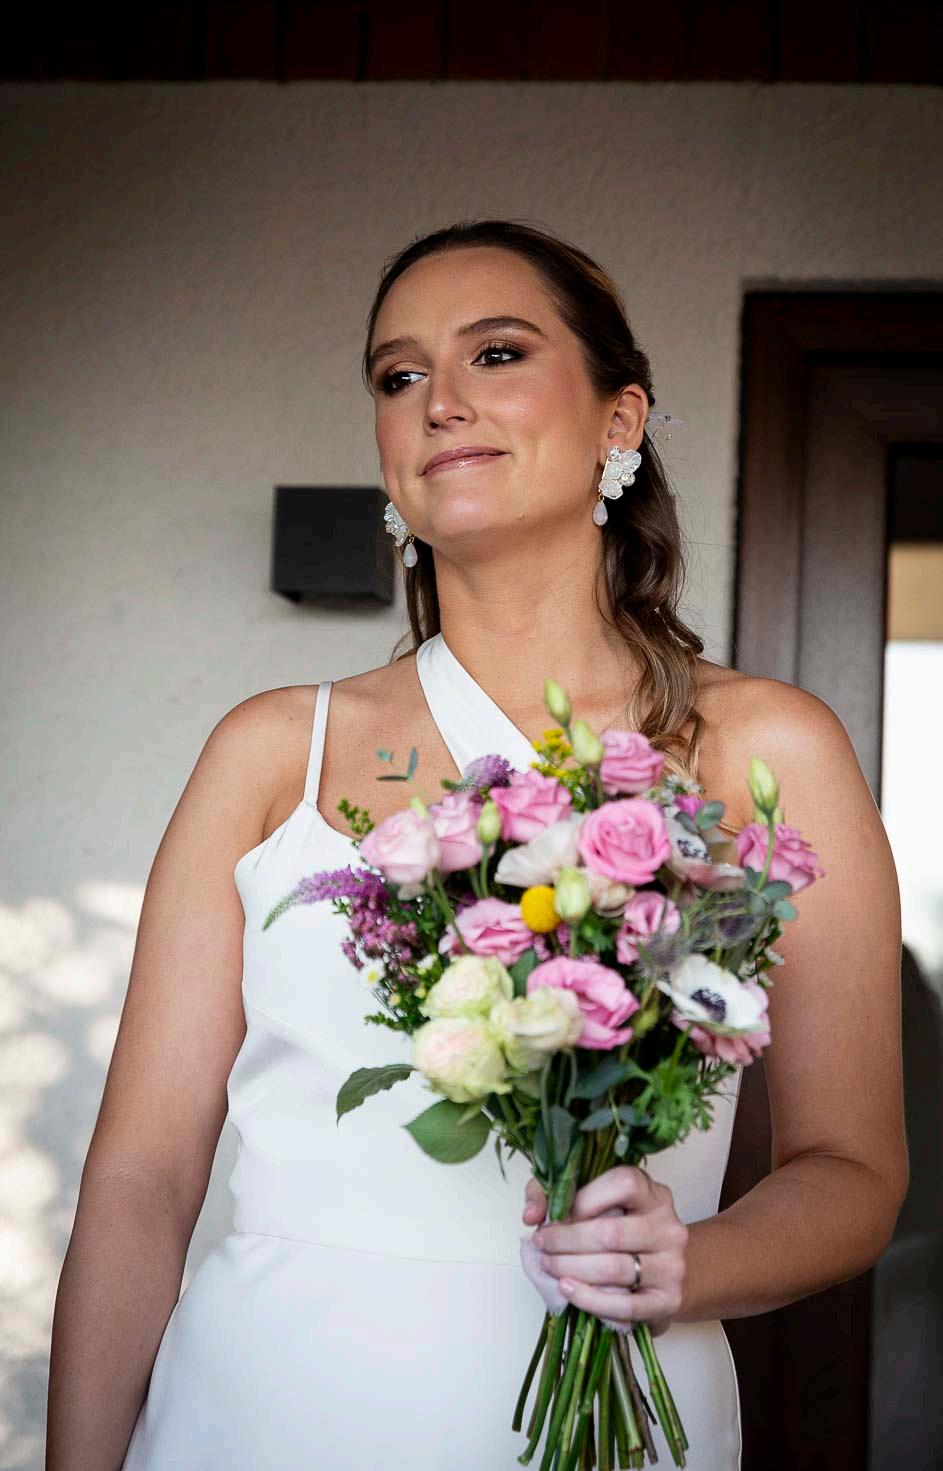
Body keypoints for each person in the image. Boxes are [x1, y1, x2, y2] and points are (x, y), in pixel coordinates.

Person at [46, 219, 908, 1470]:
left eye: (495, 354)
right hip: (259, 1405)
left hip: (612, 1414)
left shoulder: (767, 749)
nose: (438, 400)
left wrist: (686, 1261)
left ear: (620, 417)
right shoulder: (271, 752)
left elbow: (852, 1167)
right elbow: (140, 1180)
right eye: (398, 376)